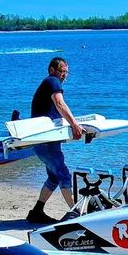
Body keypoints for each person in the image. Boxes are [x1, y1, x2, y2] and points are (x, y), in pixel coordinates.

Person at [26, 57, 83, 224]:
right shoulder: (52, 81)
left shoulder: (48, 83)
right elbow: (60, 104)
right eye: (62, 71)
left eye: (66, 72)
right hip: (45, 141)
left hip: (46, 139)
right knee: (63, 174)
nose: (64, 75)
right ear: (52, 70)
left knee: (53, 177)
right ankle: (76, 212)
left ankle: (37, 211)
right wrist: (74, 124)